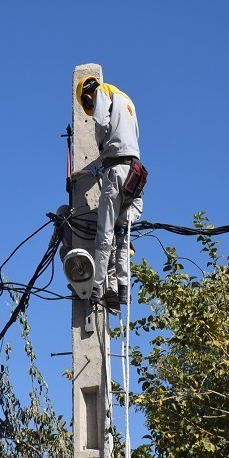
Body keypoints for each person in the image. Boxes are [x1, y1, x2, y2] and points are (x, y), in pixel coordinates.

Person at [76, 75, 145, 310]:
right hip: (134, 171)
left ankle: (96, 287)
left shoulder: (102, 92)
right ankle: (123, 288)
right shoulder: (127, 100)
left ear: (87, 95)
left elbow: (102, 124)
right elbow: (132, 135)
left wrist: (100, 145)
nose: (91, 108)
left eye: (88, 105)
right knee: (122, 233)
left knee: (104, 233)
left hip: (115, 171)